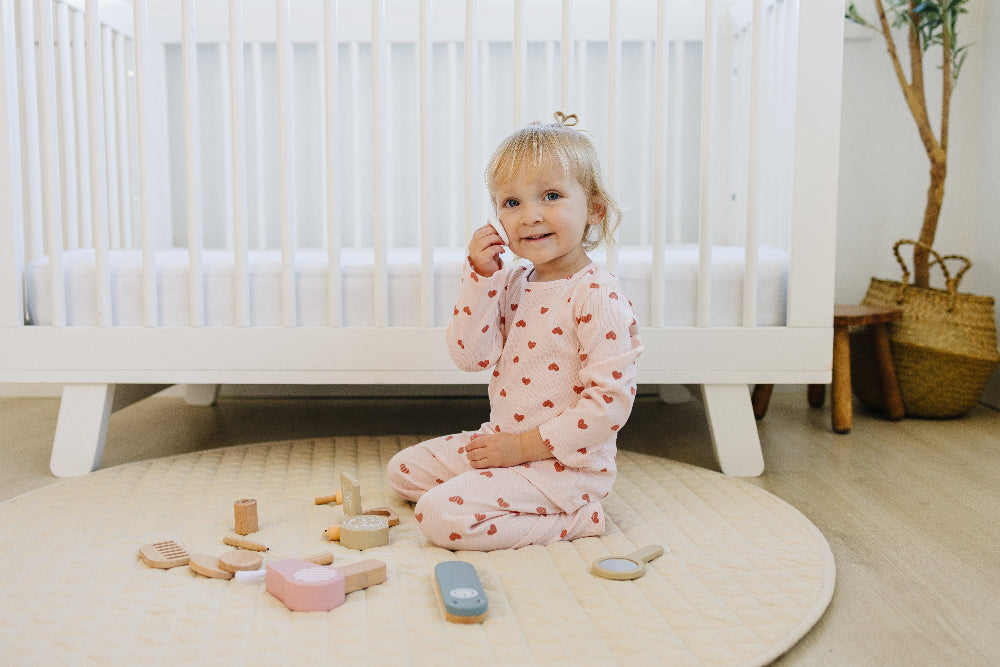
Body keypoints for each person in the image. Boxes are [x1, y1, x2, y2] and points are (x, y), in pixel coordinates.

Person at [386, 112, 643, 550]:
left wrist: (522, 448)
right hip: (505, 447)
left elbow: (609, 405)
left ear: (594, 209)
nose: (529, 216)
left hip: (563, 466)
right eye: (511, 203)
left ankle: (582, 518)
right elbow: (471, 357)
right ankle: (497, 490)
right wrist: (480, 276)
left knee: (438, 514)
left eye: (551, 195)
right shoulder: (513, 281)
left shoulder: (596, 295)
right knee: (403, 471)